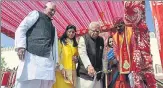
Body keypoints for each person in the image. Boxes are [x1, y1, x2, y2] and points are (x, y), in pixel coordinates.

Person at [14, 2, 58, 88]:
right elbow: (22, 28)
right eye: (51, 10)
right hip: (32, 57)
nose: (53, 12)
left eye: (54, 11)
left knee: (44, 83)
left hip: (47, 61)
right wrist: (21, 46)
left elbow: (54, 46)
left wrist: (56, 61)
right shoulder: (36, 14)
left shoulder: (53, 27)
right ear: (44, 8)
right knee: (29, 82)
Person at [124, 1, 156, 88]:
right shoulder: (133, 29)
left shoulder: (142, 27)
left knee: (145, 71)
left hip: (143, 50)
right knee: (138, 73)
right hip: (138, 50)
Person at [76, 22, 104, 88]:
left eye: (97, 31)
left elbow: (104, 55)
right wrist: (89, 66)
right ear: (89, 30)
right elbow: (83, 54)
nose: (96, 33)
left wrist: (104, 68)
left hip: (97, 73)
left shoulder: (101, 40)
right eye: (93, 31)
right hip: (85, 74)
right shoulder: (83, 39)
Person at [112, 17, 134, 88]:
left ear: (124, 24)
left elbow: (135, 46)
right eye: (116, 27)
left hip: (133, 61)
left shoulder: (131, 31)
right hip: (122, 64)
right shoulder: (115, 36)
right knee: (124, 82)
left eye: (120, 26)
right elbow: (115, 50)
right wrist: (119, 59)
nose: (118, 28)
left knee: (133, 80)